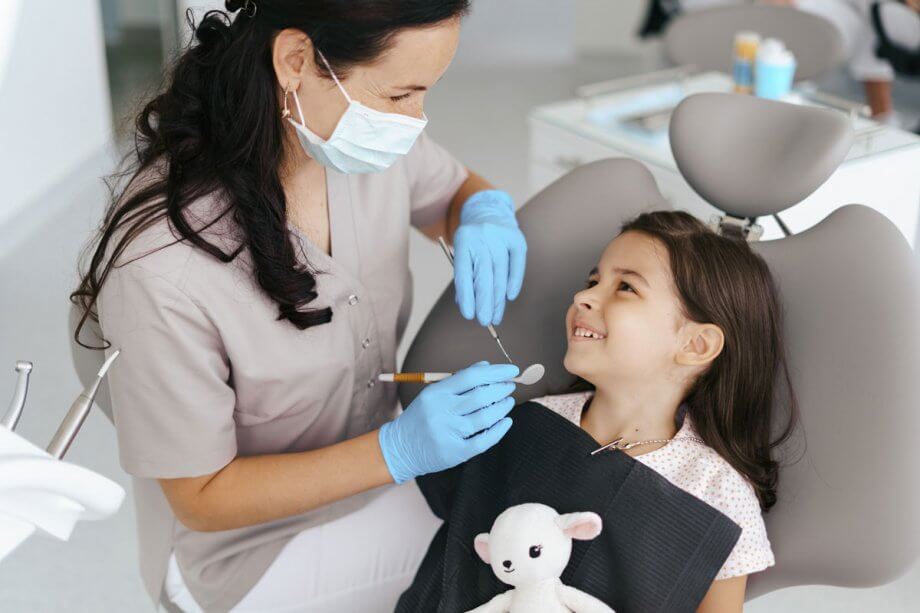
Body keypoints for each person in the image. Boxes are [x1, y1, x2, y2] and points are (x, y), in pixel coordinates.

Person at [70, 1, 528, 611]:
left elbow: (449, 189)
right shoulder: (165, 267)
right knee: (505, 574)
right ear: (296, 61)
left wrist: (482, 210)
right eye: (399, 96)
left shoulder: (353, 140)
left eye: (425, 93)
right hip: (247, 548)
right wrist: (398, 450)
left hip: (377, 480)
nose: (415, 120)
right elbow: (202, 496)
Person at [407, 211, 798, 611]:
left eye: (625, 287)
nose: (583, 297)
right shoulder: (531, 422)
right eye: (593, 281)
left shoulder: (718, 493)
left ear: (695, 346)